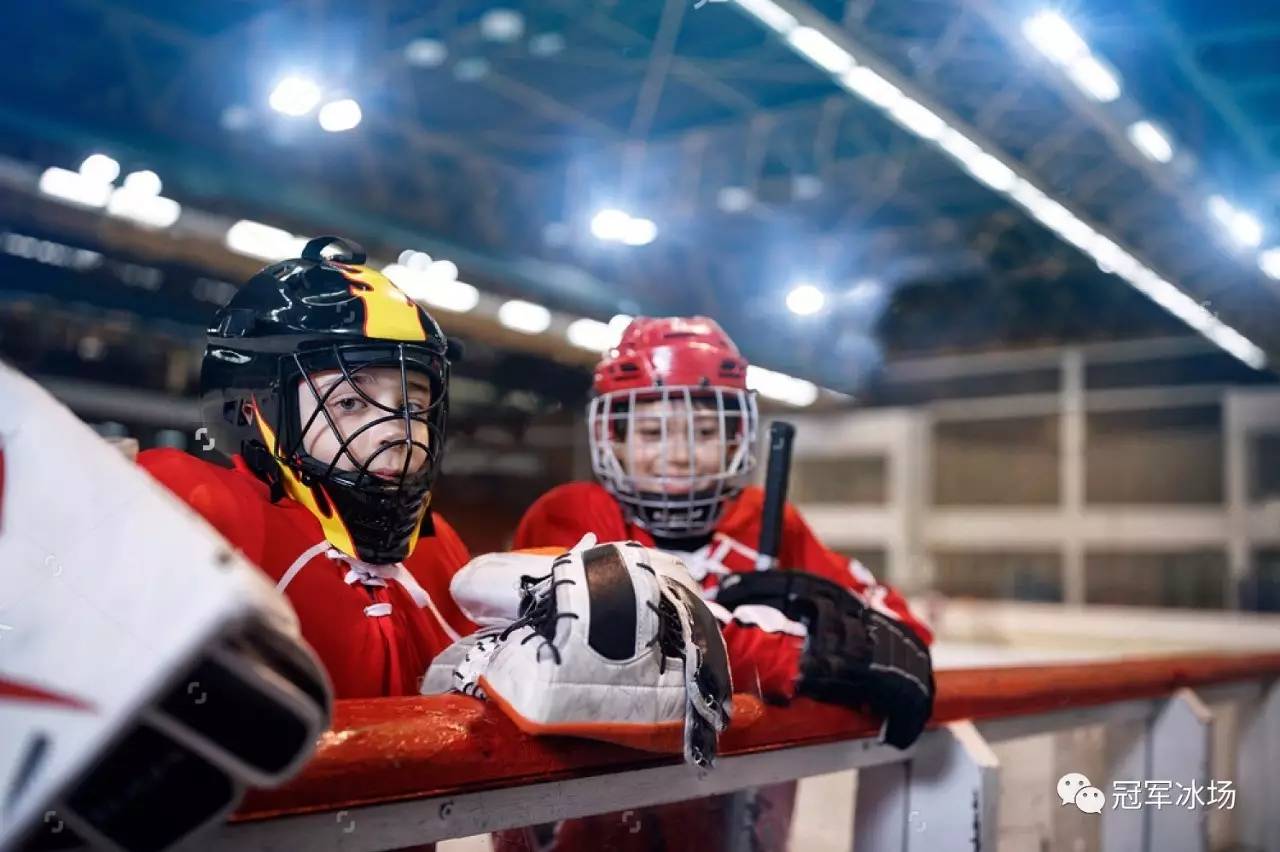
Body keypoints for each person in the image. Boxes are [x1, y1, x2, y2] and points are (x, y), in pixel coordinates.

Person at [507, 315, 935, 851]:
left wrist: (846, 635)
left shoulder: (768, 523)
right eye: (650, 431)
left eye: (704, 431)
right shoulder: (574, 514)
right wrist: (787, 654)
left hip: (738, 830)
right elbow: (626, 640)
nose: (680, 453)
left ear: (738, 433)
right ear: (612, 435)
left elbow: (902, 638)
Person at [139, 236, 476, 698]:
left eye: (414, 406)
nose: (394, 430)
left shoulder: (438, 549)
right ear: (256, 406)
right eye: (350, 401)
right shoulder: (207, 514)